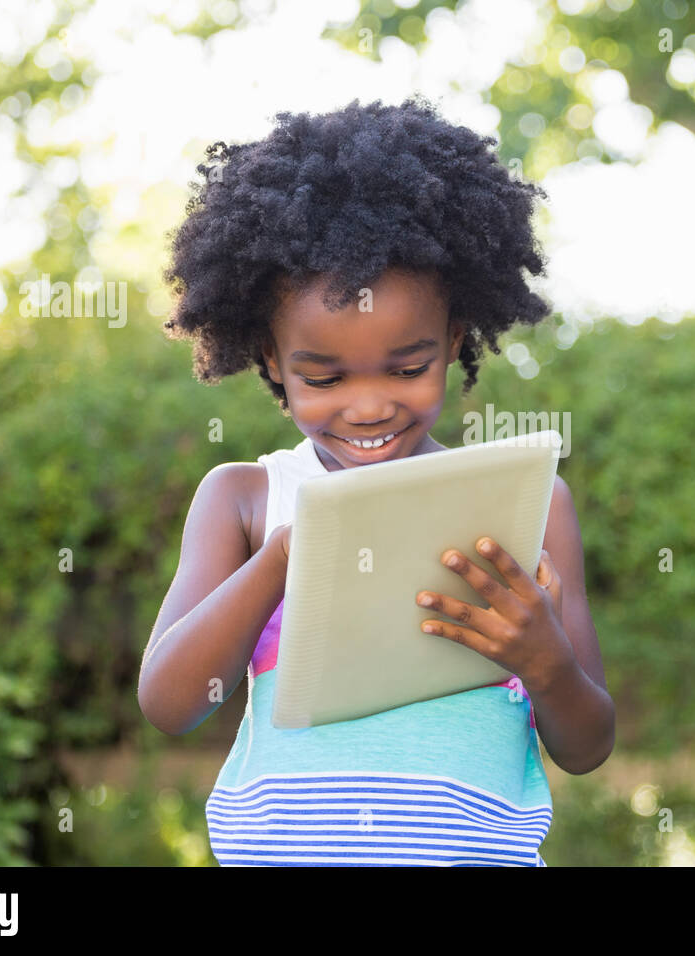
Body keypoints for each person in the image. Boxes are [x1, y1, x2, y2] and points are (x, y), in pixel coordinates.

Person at [138, 96, 615, 865]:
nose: (368, 405)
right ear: (270, 362)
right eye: (323, 376)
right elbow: (170, 704)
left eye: (407, 367)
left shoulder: (531, 507)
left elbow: (588, 744)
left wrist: (544, 659)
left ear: (454, 341)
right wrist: (282, 561)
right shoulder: (246, 500)